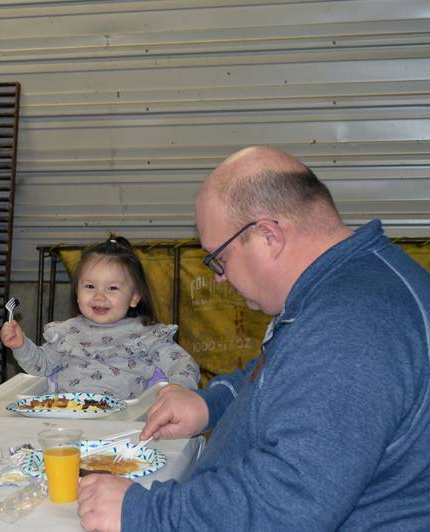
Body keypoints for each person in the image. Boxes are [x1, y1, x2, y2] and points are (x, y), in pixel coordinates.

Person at [77, 146, 430, 530]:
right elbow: (280, 372)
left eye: (219, 259)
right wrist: (210, 404)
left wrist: (143, 514)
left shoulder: (353, 325)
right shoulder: (343, 285)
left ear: (267, 236)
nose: (219, 277)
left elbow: (287, 504)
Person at [1, 236, 199, 400]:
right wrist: (20, 346)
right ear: (77, 292)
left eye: (112, 288)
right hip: (65, 418)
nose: (99, 296)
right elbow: (41, 367)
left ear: (134, 297)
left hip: (123, 425)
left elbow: (183, 364)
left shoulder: (148, 335)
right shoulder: (66, 333)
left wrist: (178, 388)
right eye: (89, 287)